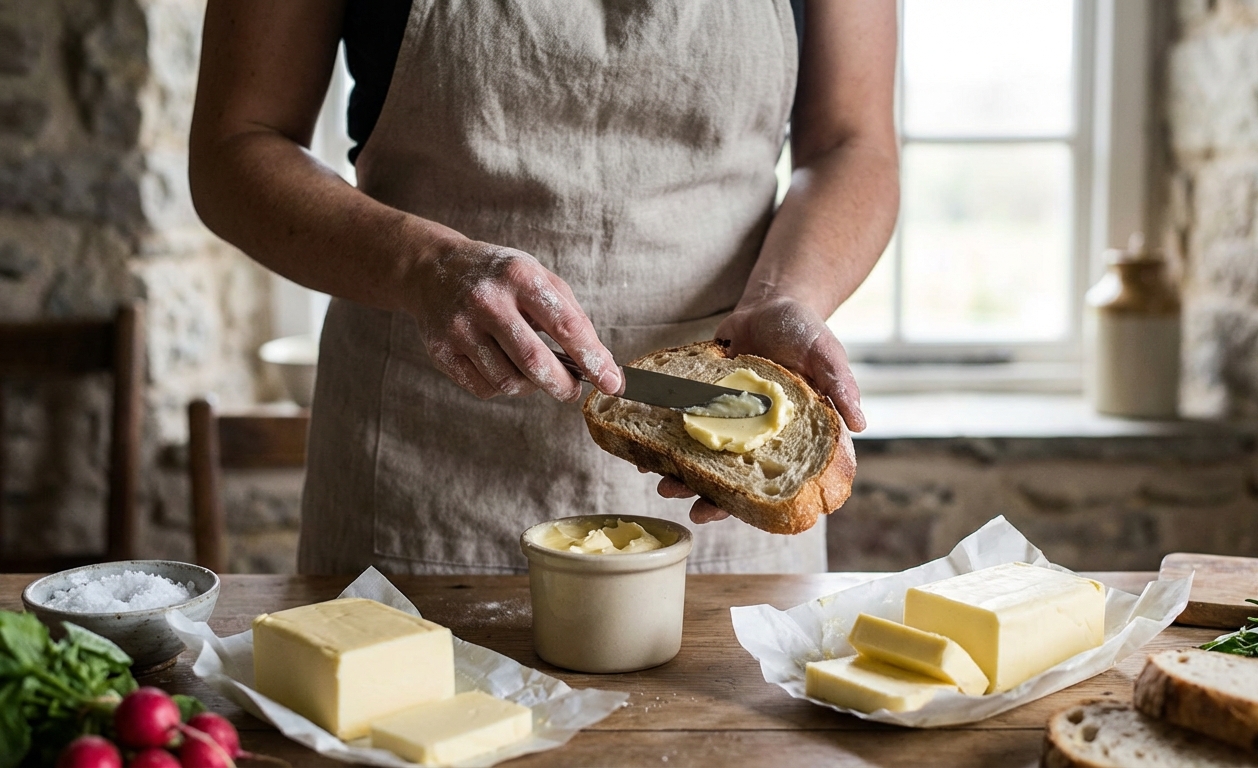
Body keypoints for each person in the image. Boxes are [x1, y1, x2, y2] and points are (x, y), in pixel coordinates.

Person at [188, 0, 898, 575]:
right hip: (422, 465)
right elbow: (236, 145)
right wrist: (422, 265)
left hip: (726, 502)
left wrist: (786, 296)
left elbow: (852, 142)